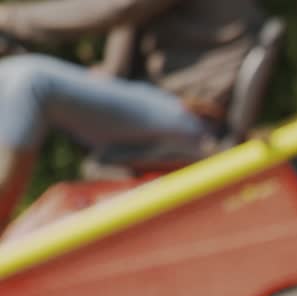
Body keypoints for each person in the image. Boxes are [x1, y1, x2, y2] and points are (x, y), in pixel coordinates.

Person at [0, 0, 266, 231]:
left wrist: (11, 18)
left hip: (194, 121)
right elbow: (119, 57)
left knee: (28, 81)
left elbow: (118, 7)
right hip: (169, 108)